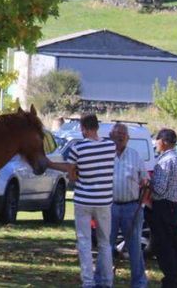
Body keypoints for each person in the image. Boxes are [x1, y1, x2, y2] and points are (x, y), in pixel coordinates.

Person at [64, 114, 117, 288]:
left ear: (83, 128)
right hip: (104, 200)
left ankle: (88, 281)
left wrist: (76, 174)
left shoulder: (78, 149)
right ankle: (107, 281)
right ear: (97, 127)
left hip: (83, 200)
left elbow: (71, 175)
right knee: (105, 242)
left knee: (84, 241)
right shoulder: (111, 146)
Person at [108, 123, 149, 288]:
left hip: (132, 208)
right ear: (111, 136)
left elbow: (145, 181)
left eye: (123, 135)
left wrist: (143, 202)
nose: (119, 137)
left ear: (127, 138)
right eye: (117, 134)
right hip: (110, 206)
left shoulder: (135, 156)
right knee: (106, 245)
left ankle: (139, 282)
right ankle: (103, 280)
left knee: (134, 248)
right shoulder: (105, 155)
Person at [148, 128, 177, 288]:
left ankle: (170, 280)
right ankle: (175, 278)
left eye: (157, 140)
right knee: (172, 245)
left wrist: (147, 183)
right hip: (175, 206)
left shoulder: (165, 161)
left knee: (163, 246)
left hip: (163, 206)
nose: (156, 144)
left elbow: (160, 188)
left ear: (163, 141)